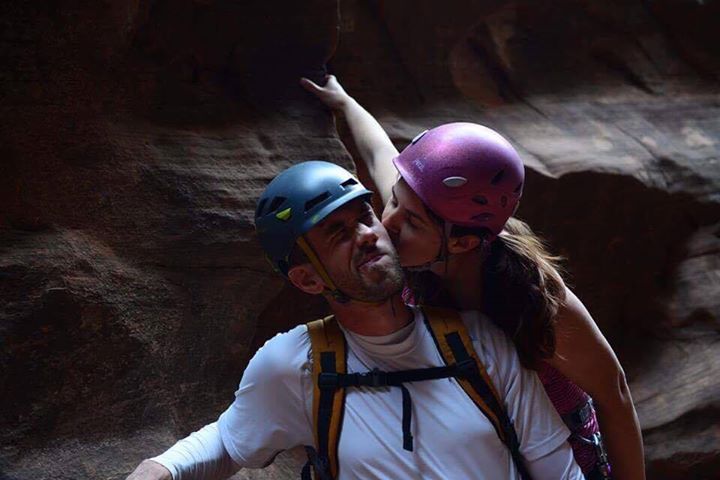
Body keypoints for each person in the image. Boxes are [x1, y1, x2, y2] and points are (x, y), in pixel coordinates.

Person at [126, 161, 583, 479]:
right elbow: (228, 441)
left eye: (364, 216)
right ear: (306, 280)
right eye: (338, 234)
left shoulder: (479, 340)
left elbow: (556, 471)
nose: (366, 236)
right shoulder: (298, 365)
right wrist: (158, 470)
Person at [301, 75, 646, 480]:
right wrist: (345, 103)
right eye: (393, 200)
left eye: (410, 221)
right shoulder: (426, 222)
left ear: (464, 243)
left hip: (557, 457)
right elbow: (379, 151)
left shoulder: (535, 300)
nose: (387, 224)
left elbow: (614, 392)